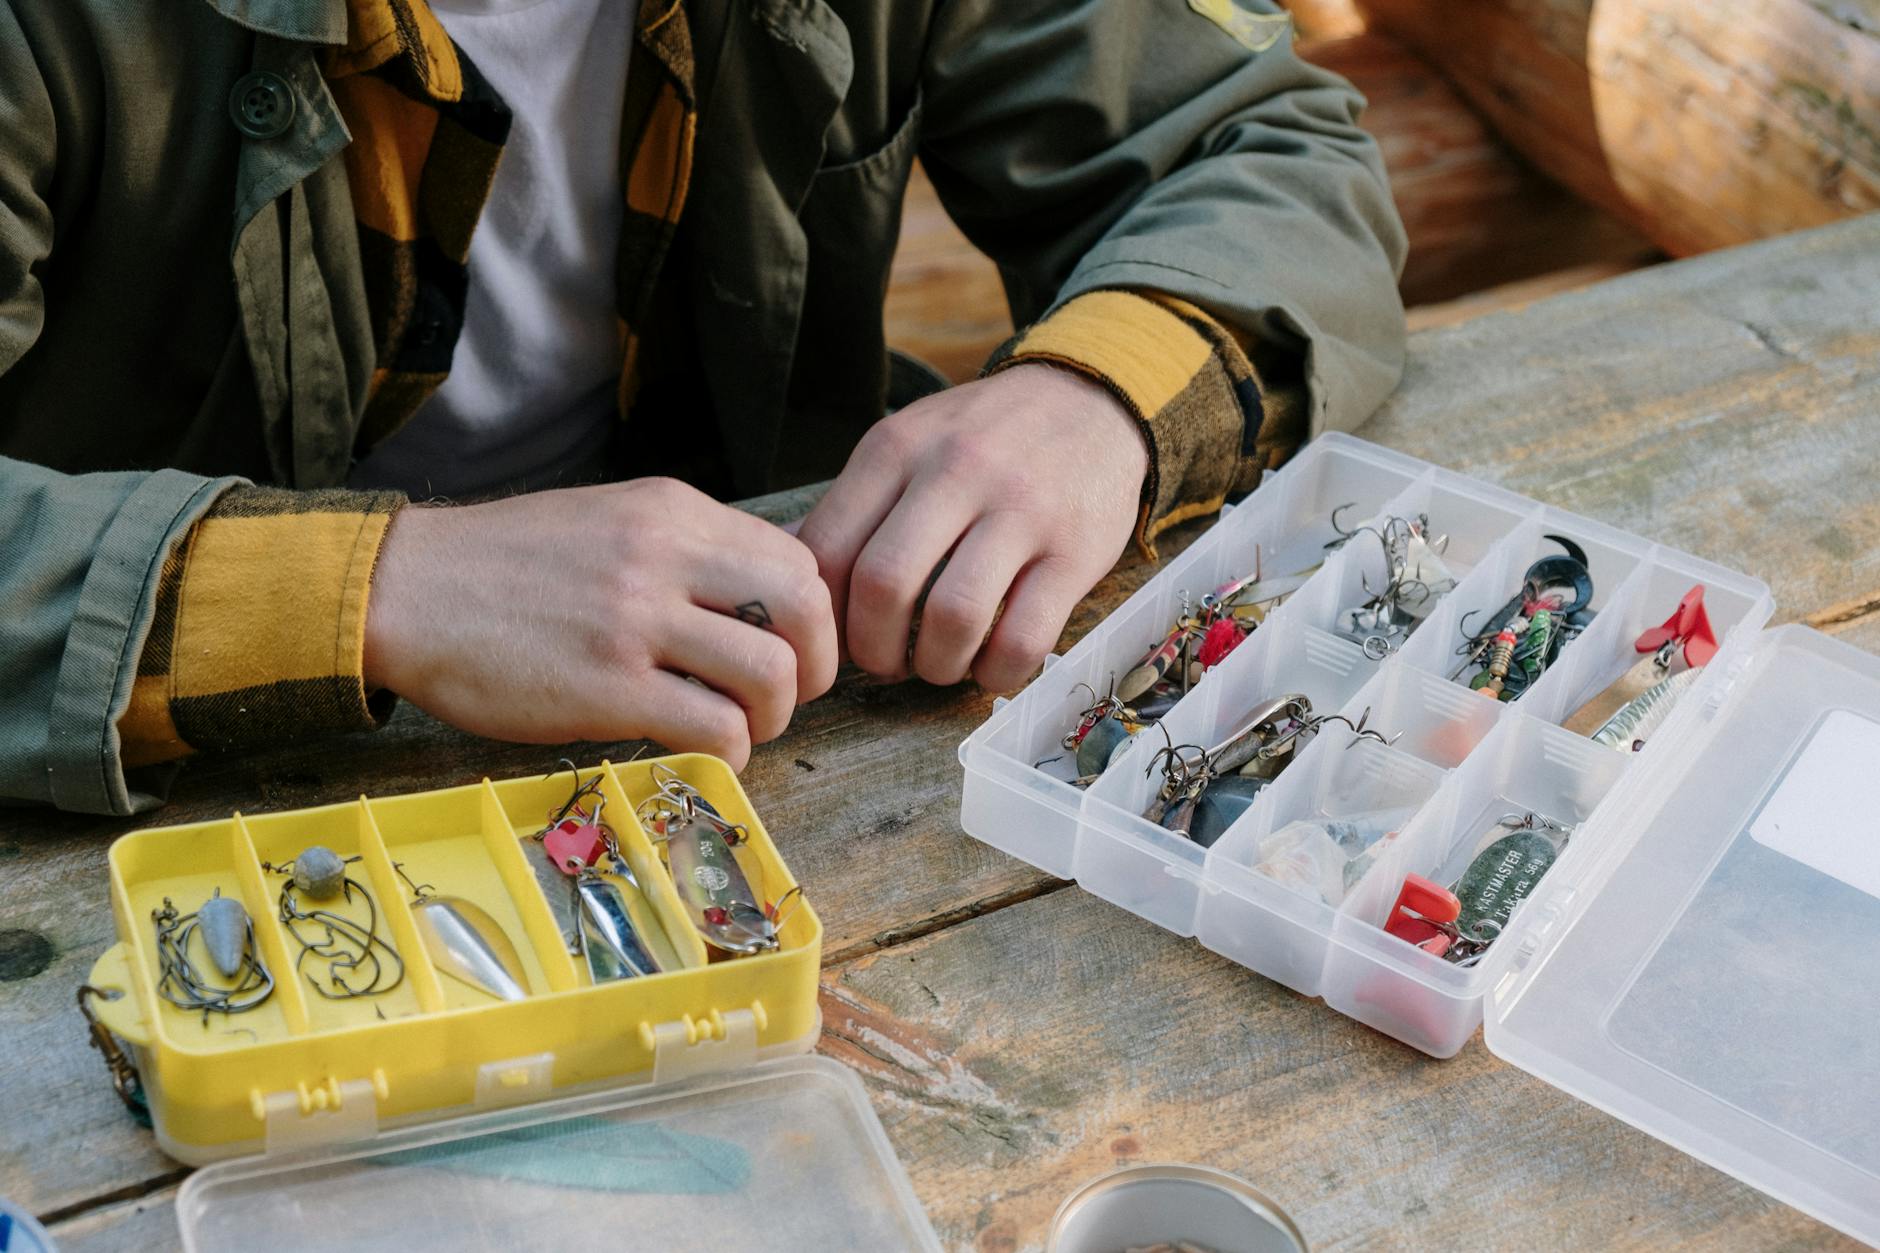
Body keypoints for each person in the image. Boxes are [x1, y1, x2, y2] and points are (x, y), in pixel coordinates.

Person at [0, 0, 1406, 815]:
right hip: (146, 799)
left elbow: (1261, 142)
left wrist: (1098, 399)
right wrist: (373, 588)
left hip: (785, 746)